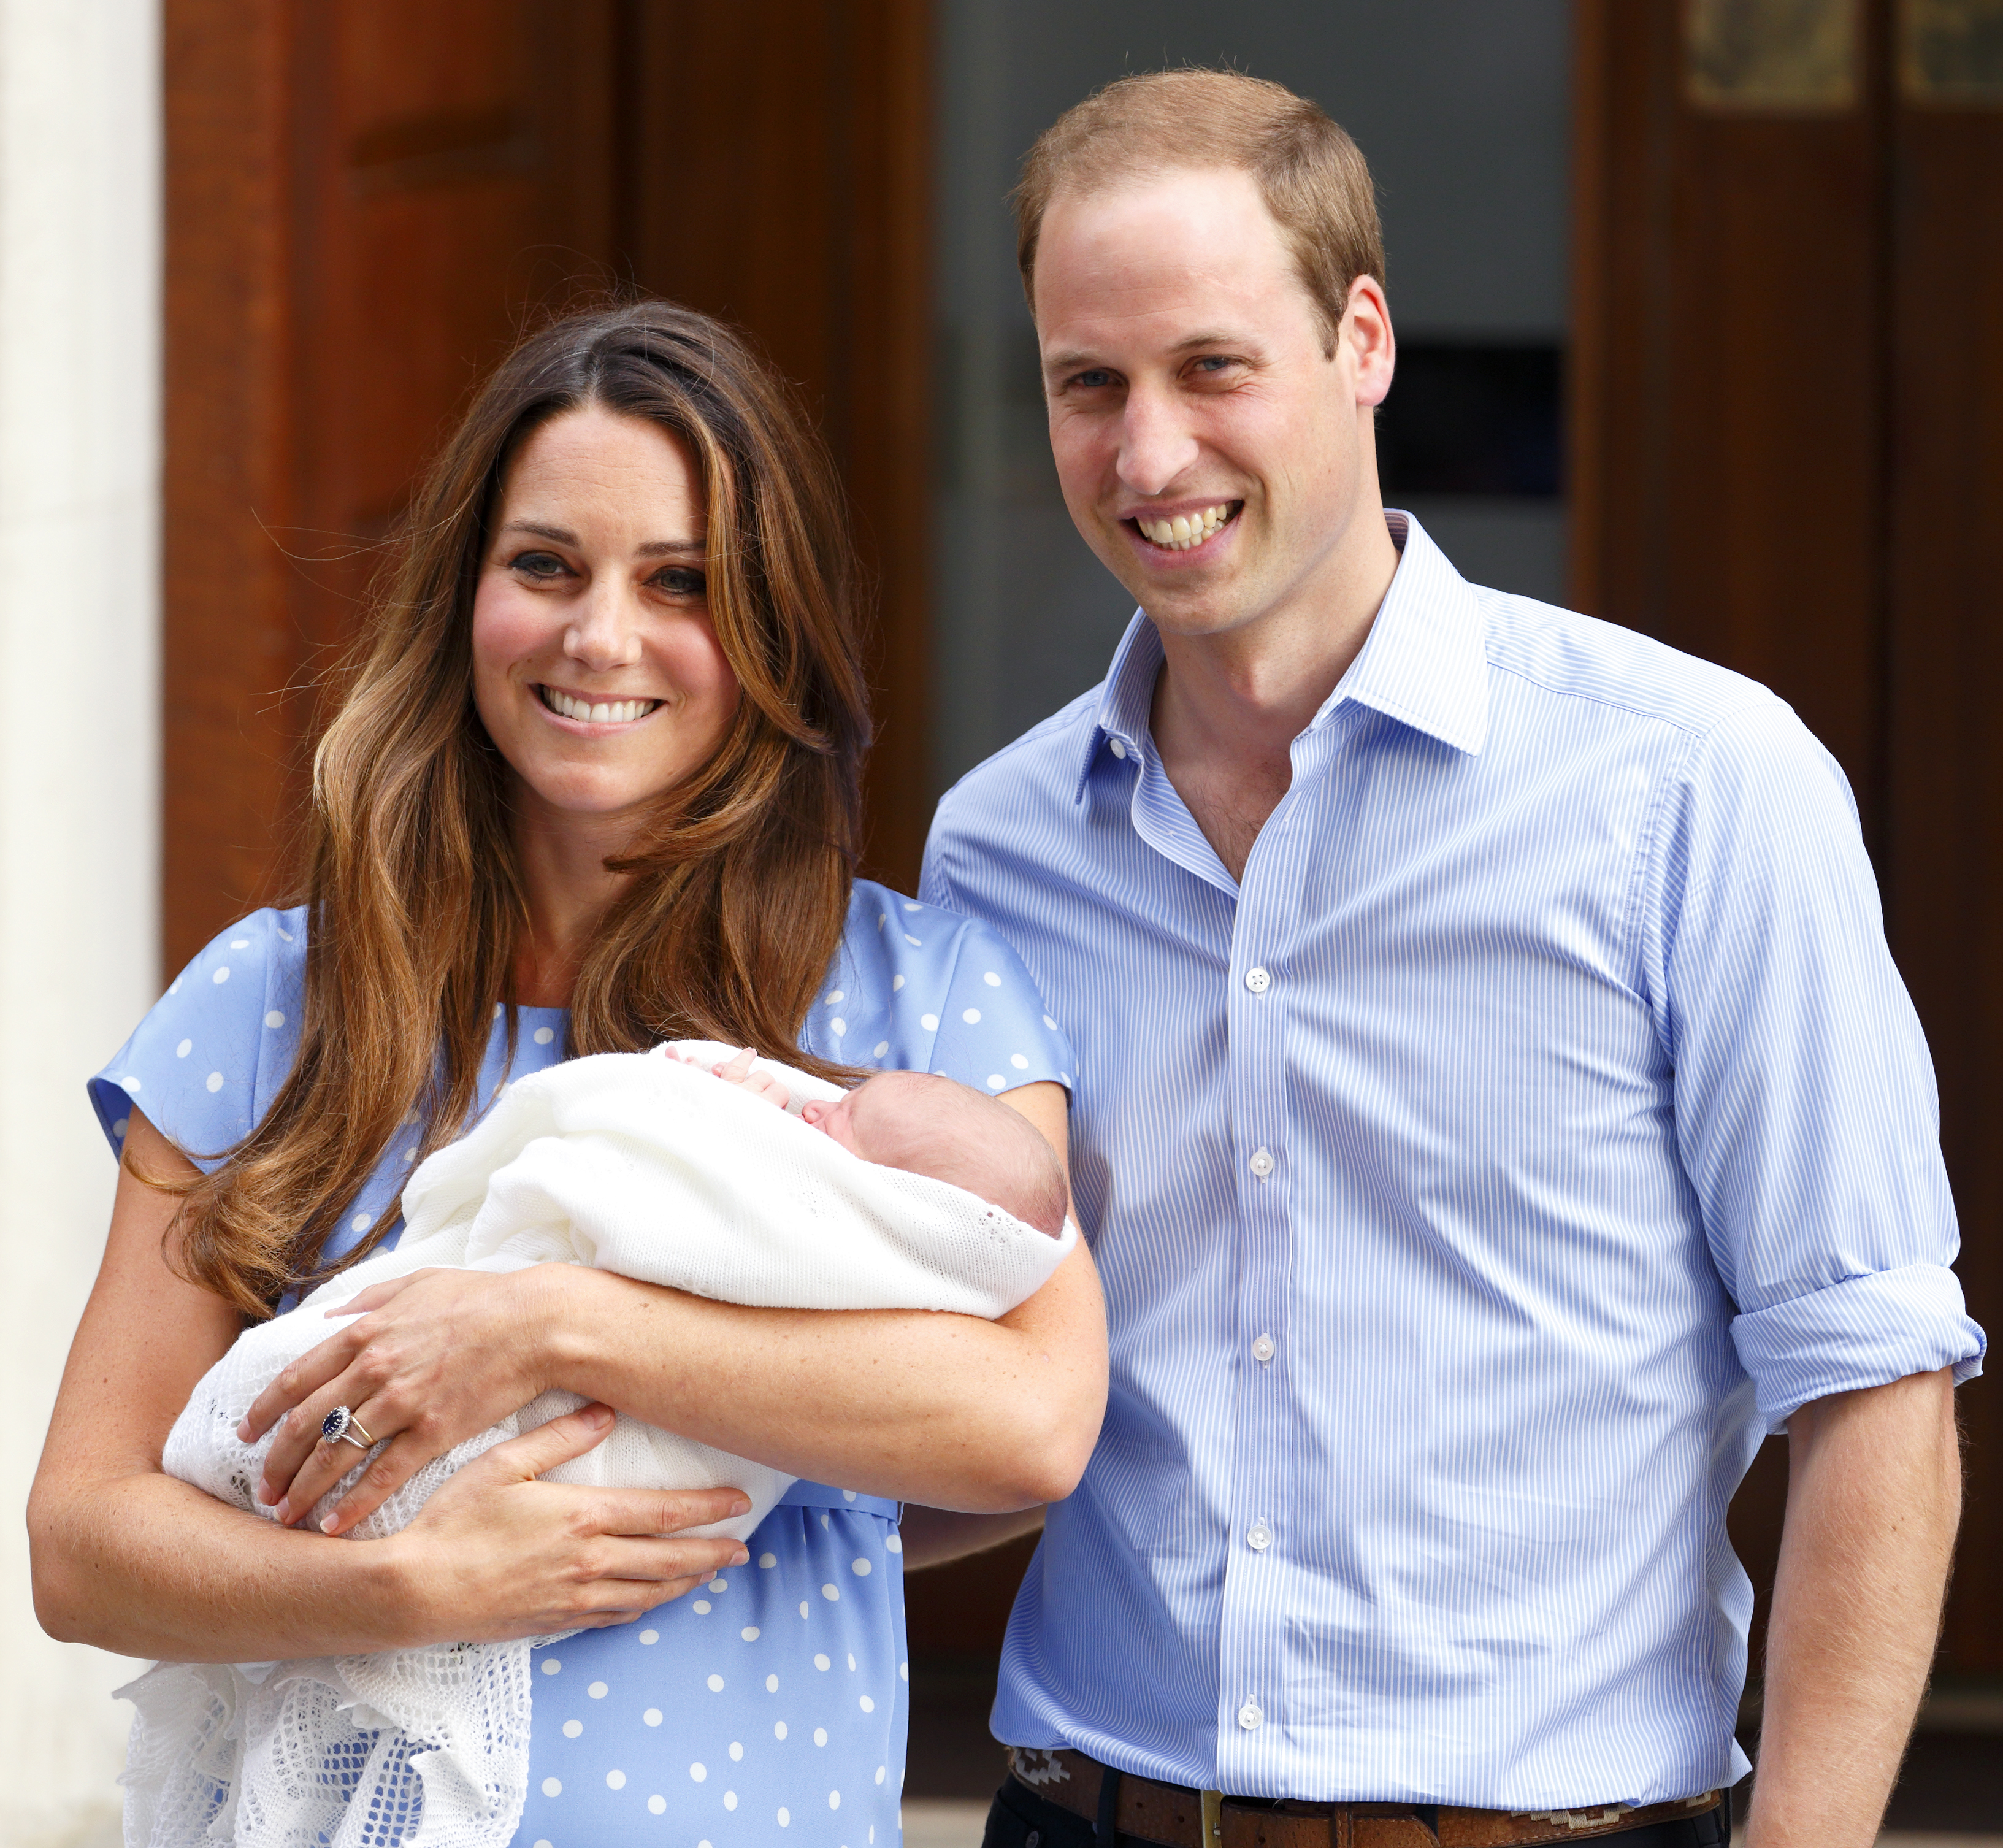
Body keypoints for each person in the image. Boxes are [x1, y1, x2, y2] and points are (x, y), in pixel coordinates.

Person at [911, 69, 1983, 1848]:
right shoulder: (1000, 845)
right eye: (1085, 384)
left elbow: (1870, 1382)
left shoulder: (1694, 784)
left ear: (1363, 340)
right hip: (1085, 1811)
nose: (1147, 454)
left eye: (1212, 367)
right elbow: (995, 1401)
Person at [29, 299, 1106, 1848]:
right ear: (465, 593)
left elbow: (1030, 1429)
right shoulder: (274, 997)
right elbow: (81, 1544)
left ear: (770, 628)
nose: (600, 637)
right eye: (546, 566)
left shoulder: (923, 996)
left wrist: (554, 1323)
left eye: (681, 583)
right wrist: (402, 1588)